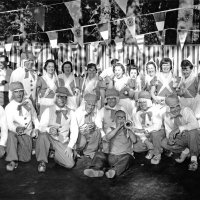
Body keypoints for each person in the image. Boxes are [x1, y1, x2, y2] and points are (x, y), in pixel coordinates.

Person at [36, 87, 79, 172]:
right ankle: (42, 161)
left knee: (70, 164)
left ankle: (54, 153)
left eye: (64, 97)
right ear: (56, 97)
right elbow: (41, 127)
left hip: (61, 140)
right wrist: (49, 129)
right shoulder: (48, 110)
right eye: (59, 96)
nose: (61, 99)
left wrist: (70, 147)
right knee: (42, 134)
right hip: (48, 137)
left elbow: (75, 131)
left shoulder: (71, 112)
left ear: (66, 99)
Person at [84, 110, 136, 178]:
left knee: (128, 158)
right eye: (119, 117)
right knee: (99, 154)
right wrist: (118, 127)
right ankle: (96, 170)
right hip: (111, 156)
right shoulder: (110, 128)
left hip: (123, 157)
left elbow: (134, 140)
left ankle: (113, 171)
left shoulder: (129, 129)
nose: (122, 119)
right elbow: (107, 137)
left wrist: (128, 129)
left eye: (123, 117)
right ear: (115, 119)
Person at [5, 81, 39, 171]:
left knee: (26, 159)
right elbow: (9, 124)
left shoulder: (28, 102)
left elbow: (35, 117)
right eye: (16, 92)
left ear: (24, 92)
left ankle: (16, 149)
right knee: (11, 135)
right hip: (16, 133)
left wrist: (37, 129)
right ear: (12, 93)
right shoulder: (9, 107)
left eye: (21, 91)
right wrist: (16, 128)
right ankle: (12, 160)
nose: (19, 94)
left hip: (28, 134)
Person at [161, 94, 200, 171]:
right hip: (180, 139)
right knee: (164, 142)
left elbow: (195, 124)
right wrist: (170, 138)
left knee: (193, 131)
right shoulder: (166, 115)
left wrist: (179, 128)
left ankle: (194, 158)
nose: (175, 109)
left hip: (191, 137)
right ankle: (185, 150)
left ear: (179, 103)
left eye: (177, 106)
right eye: (172, 107)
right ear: (167, 107)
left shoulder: (186, 110)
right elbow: (168, 130)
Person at [132, 91, 164, 165]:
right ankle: (151, 148)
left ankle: (157, 153)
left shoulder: (155, 110)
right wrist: (146, 141)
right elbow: (137, 130)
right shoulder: (137, 113)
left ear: (149, 102)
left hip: (158, 132)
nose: (142, 104)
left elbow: (157, 126)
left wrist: (144, 130)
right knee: (136, 148)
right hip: (147, 134)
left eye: (144, 102)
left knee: (155, 134)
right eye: (140, 102)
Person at [75, 93, 102, 158]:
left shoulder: (96, 111)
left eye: (93, 105)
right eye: (89, 104)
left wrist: (94, 125)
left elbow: (99, 124)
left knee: (97, 132)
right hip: (79, 133)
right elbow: (74, 129)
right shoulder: (78, 112)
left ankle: (89, 152)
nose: (90, 107)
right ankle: (76, 150)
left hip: (89, 131)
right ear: (85, 103)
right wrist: (83, 131)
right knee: (82, 141)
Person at [177, 59, 200, 125]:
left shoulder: (195, 78)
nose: (184, 71)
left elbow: (197, 91)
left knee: (192, 120)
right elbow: (179, 91)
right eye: (183, 69)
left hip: (192, 102)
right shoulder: (182, 78)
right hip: (183, 101)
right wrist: (180, 92)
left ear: (191, 69)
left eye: (186, 69)